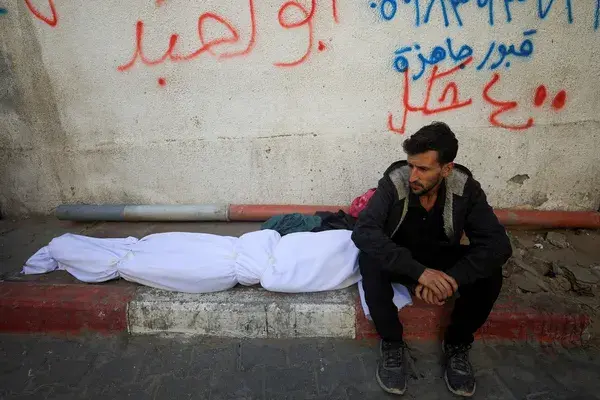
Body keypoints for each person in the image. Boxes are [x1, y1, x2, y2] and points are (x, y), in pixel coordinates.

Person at [351, 122, 512, 397]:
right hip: (402, 259)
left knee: (491, 273)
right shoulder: (395, 181)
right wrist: (420, 273)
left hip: (442, 260)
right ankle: (392, 343)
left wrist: (452, 279)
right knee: (369, 259)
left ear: (446, 169)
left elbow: (497, 244)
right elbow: (364, 231)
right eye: (411, 165)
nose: (413, 176)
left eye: (423, 169)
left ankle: (457, 344)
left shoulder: (465, 188)